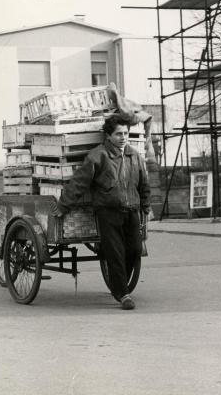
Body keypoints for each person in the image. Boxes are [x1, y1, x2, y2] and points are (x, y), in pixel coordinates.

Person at [53, 115, 151, 310]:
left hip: (131, 210)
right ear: (108, 135)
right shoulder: (98, 156)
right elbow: (80, 182)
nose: (123, 137)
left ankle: (120, 285)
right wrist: (63, 205)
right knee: (115, 253)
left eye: (125, 133)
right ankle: (122, 294)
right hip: (108, 212)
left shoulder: (134, 155)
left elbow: (144, 184)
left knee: (134, 250)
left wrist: (146, 207)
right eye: (118, 134)